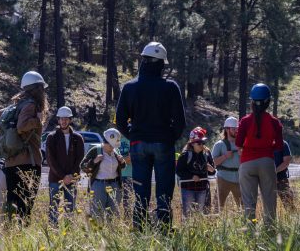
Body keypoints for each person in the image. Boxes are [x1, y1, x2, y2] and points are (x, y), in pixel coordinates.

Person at [115, 42, 186, 230]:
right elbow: (180, 122)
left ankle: (139, 230)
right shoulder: (170, 87)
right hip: (163, 142)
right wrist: (169, 137)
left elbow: (120, 120)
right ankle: (163, 229)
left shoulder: (129, 87)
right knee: (164, 190)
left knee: (141, 191)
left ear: (143, 61)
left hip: (138, 143)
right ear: (162, 64)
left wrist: (133, 136)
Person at [0, 71, 47, 223]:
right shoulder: (31, 106)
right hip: (29, 163)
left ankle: (11, 238)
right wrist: (37, 120)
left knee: (13, 205)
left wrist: (5, 133)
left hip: (10, 162)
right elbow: (22, 126)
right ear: (38, 89)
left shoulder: (16, 106)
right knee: (25, 207)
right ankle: (20, 239)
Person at [235, 83, 284, 224]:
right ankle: (270, 230)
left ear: (252, 101)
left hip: (247, 163)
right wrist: (266, 146)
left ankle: (250, 233)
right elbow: (279, 146)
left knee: (249, 204)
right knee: (269, 201)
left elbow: (238, 143)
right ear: (268, 102)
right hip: (267, 162)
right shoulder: (275, 122)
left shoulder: (244, 121)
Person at [46, 106, 85, 225]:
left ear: (70, 120)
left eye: (66, 119)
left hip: (72, 179)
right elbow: (50, 160)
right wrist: (63, 176)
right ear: (58, 120)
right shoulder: (52, 137)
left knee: (70, 207)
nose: (64, 121)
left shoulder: (77, 138)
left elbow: (79, 159)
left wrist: (70, 176)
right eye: (61, 119)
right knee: (54, 206)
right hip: (55, 179)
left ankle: (69, 232)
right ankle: (53, 230)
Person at [80, 128, 126, 220]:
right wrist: (94, 161)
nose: (112, 148)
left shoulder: (116, 151)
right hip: (98, 185)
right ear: (106, 142)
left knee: (113, 214)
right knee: (97, 213)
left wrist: (122, 162)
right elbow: (83, 166)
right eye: (111, 145)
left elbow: (121, 167)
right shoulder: (96, 150)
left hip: (115, 185)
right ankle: (97, 233)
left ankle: (110, 233)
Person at [176, 127, 216, 218]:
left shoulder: (207, 153)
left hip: (202, 189)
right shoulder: (185, 155)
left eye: (203, 142)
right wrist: (191, 176)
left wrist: (211, 169)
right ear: (192, 143)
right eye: (199, 143)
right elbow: (179, 171)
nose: (202, 145)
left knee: (201, 215)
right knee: (187, 215)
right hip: (187, 190)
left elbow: (212, 173)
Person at [211, 117, 241, 213]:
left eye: (237, 128)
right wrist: (225, 156)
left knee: (244, 207)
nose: (236, 131)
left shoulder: (242, 144)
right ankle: (214, 226)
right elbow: (213, 163)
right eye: (234, 129)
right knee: (218, 207)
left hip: (239, 179)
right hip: (223, 179)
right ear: (227, 130)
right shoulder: (219, 145)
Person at [274, 137, 294, 209]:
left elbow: (286, 162)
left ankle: (293, 218)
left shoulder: (283, 144)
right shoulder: (263, 143)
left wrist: (274, 172)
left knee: (288, 203)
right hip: (266, 178)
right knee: (268, 203)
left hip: (281, 178)